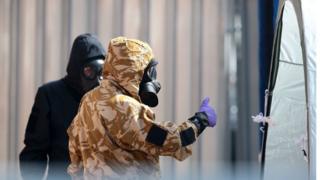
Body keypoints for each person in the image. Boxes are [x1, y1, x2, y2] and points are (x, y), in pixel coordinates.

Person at [67, 37, 217, 179]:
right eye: (148, 71)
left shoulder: (88, 99)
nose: (151, 78)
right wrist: (200, 120)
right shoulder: (123, 105)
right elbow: (169, 140)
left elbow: (75, 153)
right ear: (134, 70)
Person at [19, 33, 106, 180]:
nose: (98, 80)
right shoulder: (50, 95)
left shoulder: (109, 99)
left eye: (101, 72)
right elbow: (34, 153)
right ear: (76, 69)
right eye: (89, 71)